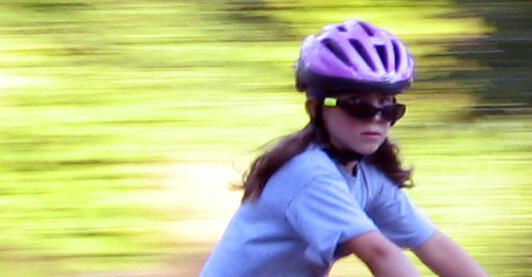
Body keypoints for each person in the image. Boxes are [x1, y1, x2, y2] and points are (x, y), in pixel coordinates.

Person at [199, 19, 489, 277]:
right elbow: (380, 254)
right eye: (356, 104)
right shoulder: (309, 174)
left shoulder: (366, 176)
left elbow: (435, 246)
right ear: (316, 108)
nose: (376, 118)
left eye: (387, 107)